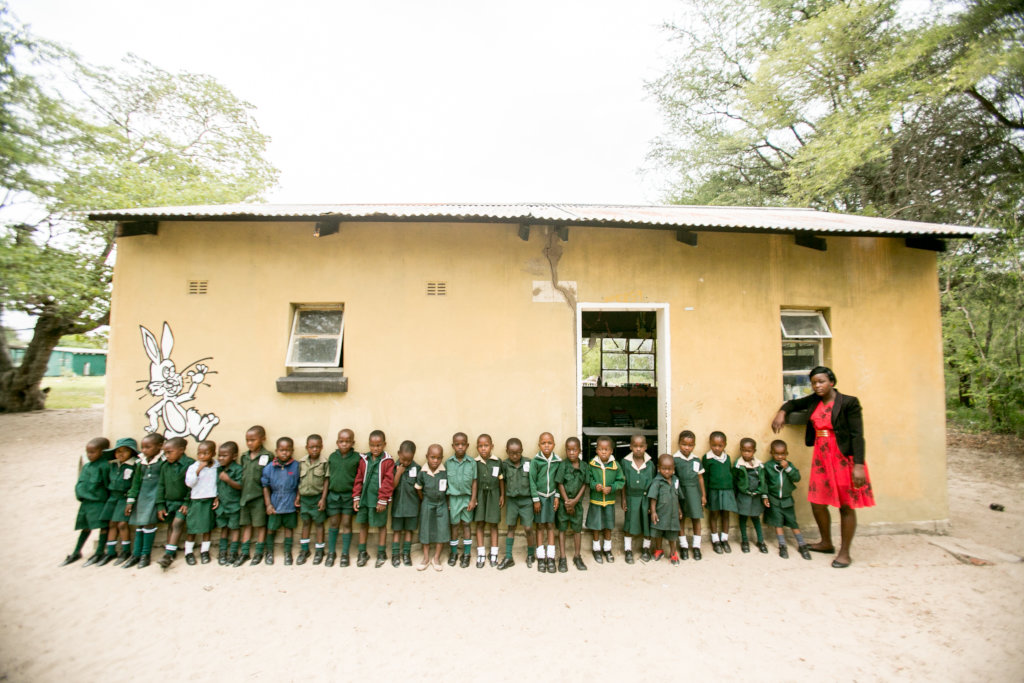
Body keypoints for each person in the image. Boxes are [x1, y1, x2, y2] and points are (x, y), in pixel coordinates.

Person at [772, 366, 874, 568]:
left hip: (843, 458)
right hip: (822, 459)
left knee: (846, 505)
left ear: (831, 382)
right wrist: (781, 413)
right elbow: (792, 403)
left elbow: (857, 435)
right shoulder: (814, 400)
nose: (817, 386)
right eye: (814, 383)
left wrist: (859, 465)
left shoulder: (849, 403)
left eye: (821, 381)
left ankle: (844, 553)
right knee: (817, 502)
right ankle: (826, 542)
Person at [61, 437, 111, 566]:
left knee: (103, 526)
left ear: (102, 452)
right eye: (88, 452)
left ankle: (99, 551)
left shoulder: (104, 466)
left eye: (93, 452)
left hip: (99, 502)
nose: (89, 455)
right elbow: (80, 482)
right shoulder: (87, 466)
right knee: (85, 527)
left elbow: (107, 484)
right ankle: (76, 552)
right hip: (86, 502)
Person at [352, 430, 395, 568]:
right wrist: (356, 497)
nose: (375, 448)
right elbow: (358, 478)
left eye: (378, 445)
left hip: (379, 500)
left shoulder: (388, 461)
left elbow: (388, 481)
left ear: (384, 444)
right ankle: (362, 552)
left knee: (381, 525)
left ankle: (381, 553)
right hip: (365, 498)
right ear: (369, 444)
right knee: (363, 524)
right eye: (372, 445)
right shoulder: (364, 459)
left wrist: (383, 499)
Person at [123, 433, 165, 569]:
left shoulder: (163, 461)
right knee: (139, 525)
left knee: (149, 524)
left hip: (154, 498)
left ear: (160, 446)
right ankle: (136, 554)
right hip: (142, 497)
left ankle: (145, 555)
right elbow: (136, 482)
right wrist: (131, 500)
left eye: (148, 447)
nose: (144, 450)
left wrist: (160, 502)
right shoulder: (140, 462)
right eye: (143, 447)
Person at [764, 439, 812, 560]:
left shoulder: (789, 465)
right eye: (776, 454)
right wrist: (765, 496)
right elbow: (764, 483)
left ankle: (802, 544)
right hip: (774, 499)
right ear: (771, 453)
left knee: (793, 522)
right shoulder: (768, 466)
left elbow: (797, 478)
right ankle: (782, 545)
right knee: (778, 523)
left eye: (783, 454)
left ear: (787, 453)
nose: (780, 457)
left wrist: (788, 468)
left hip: (787, 500)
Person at [94, 437, 138, 566]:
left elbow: (135, 484)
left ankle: (125, 551)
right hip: (112, 497)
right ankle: (111, 551)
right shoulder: (113, 465)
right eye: (118, 451)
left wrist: (130, 500)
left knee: (122, 524)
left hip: (125, 498)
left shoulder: (135, 465)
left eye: (125, 450)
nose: (121, 454)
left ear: (131, 452)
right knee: (112, 523)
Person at [154, 437, 195, 568]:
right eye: (165, 453)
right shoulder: (165, 466)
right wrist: (160, 504)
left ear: (181, 450)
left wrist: (187, 502)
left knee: (177, 523)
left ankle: (168, 555)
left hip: (183, 503)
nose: (166, 456)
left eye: (169, 452)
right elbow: (161, 485)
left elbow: (192, 487)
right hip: (169, 503)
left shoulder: (190, 464)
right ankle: (171, 550)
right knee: (170, 525)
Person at [237, 426, 273, 567]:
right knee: (246, 524)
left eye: (253, 440)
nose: (249, 443)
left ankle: (258, 552)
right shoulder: (244, 457)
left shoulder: (268, 456)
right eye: (247, 440)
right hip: (245, 497)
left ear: (262, 439)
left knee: (260, 525)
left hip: (259, 497)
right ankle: (245, 552)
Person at [497, 438, 536, 570]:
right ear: (507, 452)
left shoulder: (529, 463)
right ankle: (508, 557)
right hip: (512, 501)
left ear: (522, 451)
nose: (514, 456)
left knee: (528, 528)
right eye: (511, 453)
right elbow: (502, 480)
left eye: (517, 453)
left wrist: (535, 499)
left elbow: (533, 481)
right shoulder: (504, 464)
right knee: (511, 527)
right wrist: (502, 495)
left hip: (526, 501)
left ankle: (530, 554)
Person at [179, 439, 219, 566]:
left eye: (205, 453)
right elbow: (189, 483)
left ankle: (204, 551)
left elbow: (218, 483)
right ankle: (188, 552)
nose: (202, 456)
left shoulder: (217, 466)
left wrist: (217, 497)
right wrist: (198, 470)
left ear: (213, 453)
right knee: (192, 528)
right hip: (196, 501)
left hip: (209, 500)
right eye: (199, 453)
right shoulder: (193, 467)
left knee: (207, 528)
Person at [262, 437, 300, 566]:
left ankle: (287, 552)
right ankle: (269, 551)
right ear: (276, 451)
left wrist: (298, 498)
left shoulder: (296, 466)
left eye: (288, 450)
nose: (284, 453)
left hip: (290, 501)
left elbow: (300, 484)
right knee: (271, 528)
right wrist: (268, 504)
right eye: (281, 450)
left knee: (289, 527)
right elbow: (265, 487)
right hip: (275, 502)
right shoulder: (269, 467)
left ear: (292, 451)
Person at [324, 428, 360, 567]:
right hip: (333, 496)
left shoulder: (357, 458)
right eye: (341, 441)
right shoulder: (332, 457)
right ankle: (331, 552)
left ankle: (345, 553)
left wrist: (356, 496)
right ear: (337, 442)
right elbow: (328, 478)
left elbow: (359, 479)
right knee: (333, 523)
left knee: (346, 523)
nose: (344, 444)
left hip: (348, 497)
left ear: (353, 443)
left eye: (347, 441)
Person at [586, 436, 624, 564]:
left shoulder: (616, 465)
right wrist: (594, 485)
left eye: (606, 449)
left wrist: (612, 488)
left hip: (609, 502)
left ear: (611, 451)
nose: (603, 452)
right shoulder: (592, 464)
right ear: (596, 450)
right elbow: (588, 479)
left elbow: (621, 481)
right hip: (596, 501)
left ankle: (607, 549)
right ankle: (596, 549)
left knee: (608, 525)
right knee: (596, 525)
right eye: (600, 449)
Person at [530, 431, 561, 573]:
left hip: (552, 497)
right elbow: (532, 481)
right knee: (540, 525)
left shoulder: (557, 461)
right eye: (543, 443)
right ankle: (541, 557)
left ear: (554, 444)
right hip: (540, 498)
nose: (546, 445)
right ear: (539, 445)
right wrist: (535, 499)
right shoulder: (536, 461)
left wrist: (557, 496)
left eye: (549, 443)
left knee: (550, 525)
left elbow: (559, 481)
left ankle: (551, 556)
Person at [415, 444, 450, 572]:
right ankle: (425, 558)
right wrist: (424, 500)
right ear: (427, 457)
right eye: (432, 457)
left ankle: (436, 558)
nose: (435, 461)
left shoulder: (444, 472)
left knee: (442, 529)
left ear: (442, 458)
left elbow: (448, 490)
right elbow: (418, 489)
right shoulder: (422, 473)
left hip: (441, 503)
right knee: (425, 529)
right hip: (427, 503)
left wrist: (446, 503)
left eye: (438, 458)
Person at [445, 432, 478, 568]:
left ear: (467, 445)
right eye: (457, 444)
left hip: (467, 498)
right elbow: (445, 484)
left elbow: (474, 481)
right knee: (454, 525)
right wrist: (447, 501)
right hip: (453, 499)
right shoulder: (448, 463)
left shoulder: (472, 462)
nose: (460, 447)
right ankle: (453, 553)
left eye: (463, 444)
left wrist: (473, 499)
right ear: (453, 446)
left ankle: (467, 553)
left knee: (466, 524)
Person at [621, 434, 655, 564]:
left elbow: (653, 485)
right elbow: (623, 483)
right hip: (631, 497)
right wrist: (624, 499)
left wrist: (652, 503)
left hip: (645, 498)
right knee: (629, 523)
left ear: (646, 447)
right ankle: (628, 549)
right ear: (630, 447)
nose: (638, 449)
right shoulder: (625, 462)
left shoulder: (650, 464)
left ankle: (646, 548)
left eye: (641, 446)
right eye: (635, 446)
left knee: (647, 523)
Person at [555, 436, 588, 571]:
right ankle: (562, 557)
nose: (572, 452)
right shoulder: (563, 465)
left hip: (577, 504)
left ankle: (577, 556)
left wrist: (574, 502)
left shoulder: (584, 466)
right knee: (562, 529)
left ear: (580, 450)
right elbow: (560, 483)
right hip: (564, 504)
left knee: (577, 530)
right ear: (566, 450)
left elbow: (585, 485)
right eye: (569, 450)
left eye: (574, 450)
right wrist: (567, 502)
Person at [673, 430, 706, 560]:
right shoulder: (675, 459)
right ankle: (684, 546)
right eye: (684, 444)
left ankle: (696, 546)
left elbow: (700, 478)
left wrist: (703, 495)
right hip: (681, 492)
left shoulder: (696, 460)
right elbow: (672, 479)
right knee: (681, 518)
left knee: (696, 518)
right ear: (679, 444)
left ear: (694, 445)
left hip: (694, 493)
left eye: (690, 445)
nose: (687, 448)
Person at [296, 434, 329, 565]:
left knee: (319, 524)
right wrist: (298, 497)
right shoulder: (301, 462)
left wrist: (323, 498)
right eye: (311, 447)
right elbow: (299, 481)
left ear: (321, 447)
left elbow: (326, 481)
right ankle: (304, 550)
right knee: (305, 523)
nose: (314, 449)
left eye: (317, 447)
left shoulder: (324, 462)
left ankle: (320, 550)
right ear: (307, 447)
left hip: (317, 498)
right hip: (304, 499)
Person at [733, 438, 769, 554]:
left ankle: (761, 541)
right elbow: (734, 480)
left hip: (756, 496)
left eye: (749, 451)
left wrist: (764, 495)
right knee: (743, 518)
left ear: (754, 451)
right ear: (740, 450)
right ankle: (745, 541)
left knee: (755, 518)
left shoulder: (759, 465)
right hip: (744, 496)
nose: (746, 453)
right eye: (744, 451)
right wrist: (735, 496)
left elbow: (763, 481)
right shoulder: (738, 465)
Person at [702, 431, 736, 554]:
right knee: (714, 514)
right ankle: (715, 540)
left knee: (726, 515)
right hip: (713, 491)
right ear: (710, 444)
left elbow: (730, 474)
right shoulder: (707, 458)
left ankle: (724, 539)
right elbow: (705, 477)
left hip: (727, 491)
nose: (717, 448)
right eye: (714, 445)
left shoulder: (727, 458)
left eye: (720, 445)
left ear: (725, 445)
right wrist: (704, 494)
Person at [648, 453, 685, 565]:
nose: (667, 471)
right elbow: (653, 498)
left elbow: (677, 497)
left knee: (672, 535)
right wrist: (653, 512)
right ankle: (659, 550)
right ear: (659, 468)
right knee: (658, 533)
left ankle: (673, 553)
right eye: (664, 469)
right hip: (660, 513)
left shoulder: (676, 480)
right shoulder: (657, 482)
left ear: (674, 468)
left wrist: (679, 509)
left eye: (670, 469)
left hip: (673, 514)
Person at [473, 434, 503, 568]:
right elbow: (473, 481)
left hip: (494, 494)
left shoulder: (497, 461)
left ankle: (494, 553)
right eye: (480, 446)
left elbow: (501, 479)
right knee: (480, 523)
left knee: (493, 523)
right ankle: (481, 553)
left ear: (492, 446)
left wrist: (502, 495)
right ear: (477, 448)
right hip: (479, 495)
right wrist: (473, 498)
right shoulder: (474, 462)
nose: (483, 448)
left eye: (486, 445)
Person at [390, 441, 420, 567]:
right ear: (399, 454)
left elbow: (419, 488)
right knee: (397, 531)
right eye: (403, 459)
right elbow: (392, 487)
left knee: (409, 530)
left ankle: (406, 554)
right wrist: (398, 473)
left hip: (412, 507)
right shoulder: (393, 467)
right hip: (398, 507)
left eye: (409, 460)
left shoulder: (417, 468)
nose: (406, 462)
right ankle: (395, 554)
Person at [215, 441, 243, 565]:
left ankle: (233, 552)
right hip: (222, 505)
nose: (221, 458)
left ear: (234, 456)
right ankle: (222, 552)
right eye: (219, 455)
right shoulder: (218, 469)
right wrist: (216, 497)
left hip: (234, 505)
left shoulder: (238, 469)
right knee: (224, 528)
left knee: (235, 528)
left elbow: (240, 486)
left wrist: (228, 480)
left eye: (224, 456)